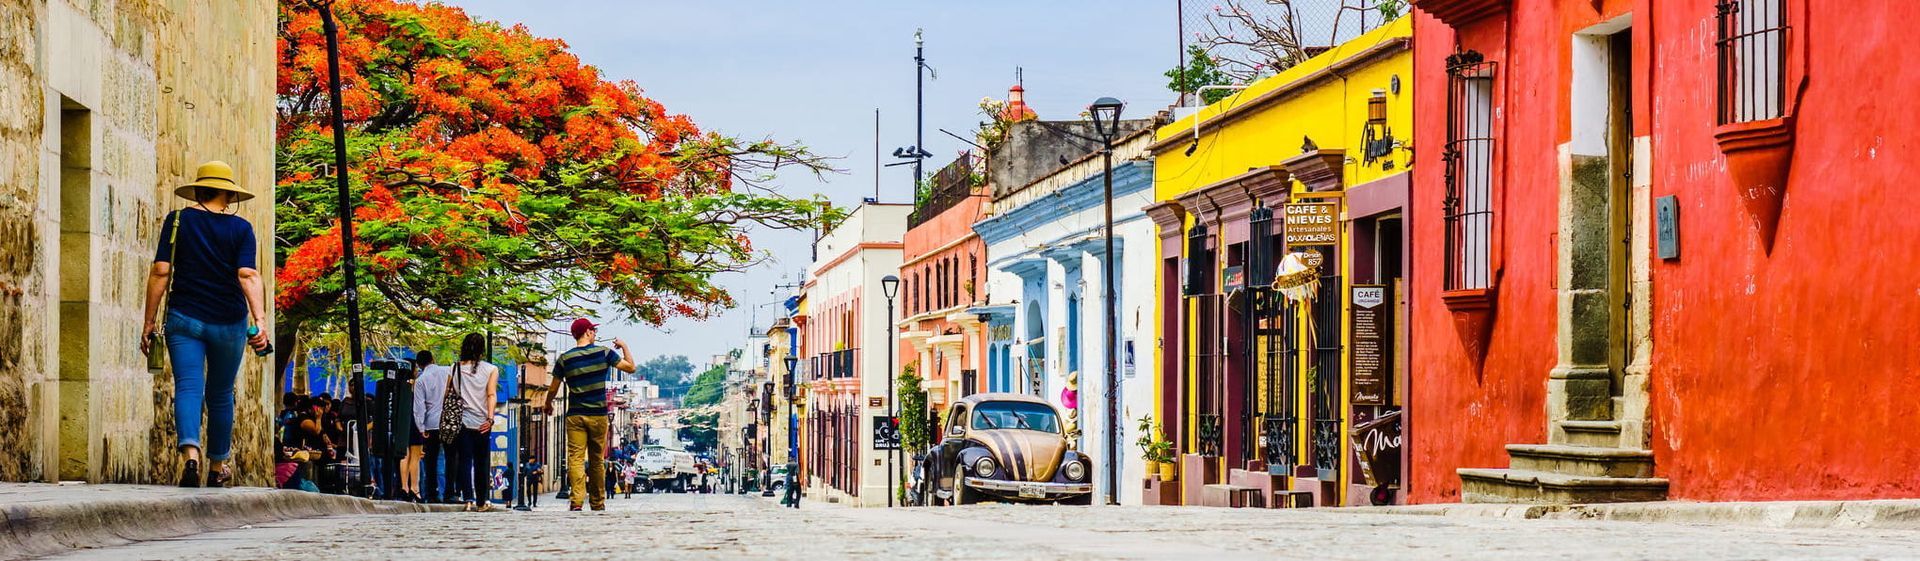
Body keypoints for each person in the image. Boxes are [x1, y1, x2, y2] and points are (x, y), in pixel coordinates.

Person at [140, 161, 268, 488]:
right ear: (228, 192)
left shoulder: (178, 220)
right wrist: (260, 320)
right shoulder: (241, 230)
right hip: (229, 323)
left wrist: (149, 321)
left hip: (184, 318)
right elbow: (247, 275)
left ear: (199, 189)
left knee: (188, 386)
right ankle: (217, 466)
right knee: (221, 393)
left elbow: (160, 271)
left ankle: (190, 456)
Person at [540, 318, 636, 511]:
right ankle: (597, 502)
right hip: (598, 414)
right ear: (587, 332)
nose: (595, 333)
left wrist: (548, 404)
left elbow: (553, 388)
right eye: (593, 330)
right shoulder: (604, 353)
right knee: (596, 460)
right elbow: (631, 367)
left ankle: (576, 501)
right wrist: (623, 345)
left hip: (575, 415)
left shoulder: (564, 359)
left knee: (575, 458)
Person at [448, 333, 501, 511]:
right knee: (481, 461)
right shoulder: (491, 369)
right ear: (482, 350)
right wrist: (490, 418)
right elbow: (491, 394)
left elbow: (449, 394)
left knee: (464, 460)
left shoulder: (454, 368)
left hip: (462, 421)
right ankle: (481, 501)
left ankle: (468, 498)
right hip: (482, 422)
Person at [412, 351, 452, 503]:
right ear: (433, 359)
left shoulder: (421, 380)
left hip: (431, 424)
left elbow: (419, 407)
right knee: (451, 458)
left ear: (419, 365)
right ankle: (450, 492)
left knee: (431, 461)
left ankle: (432, 493)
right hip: (449, 422)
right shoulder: (448, 371)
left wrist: (421, 427)